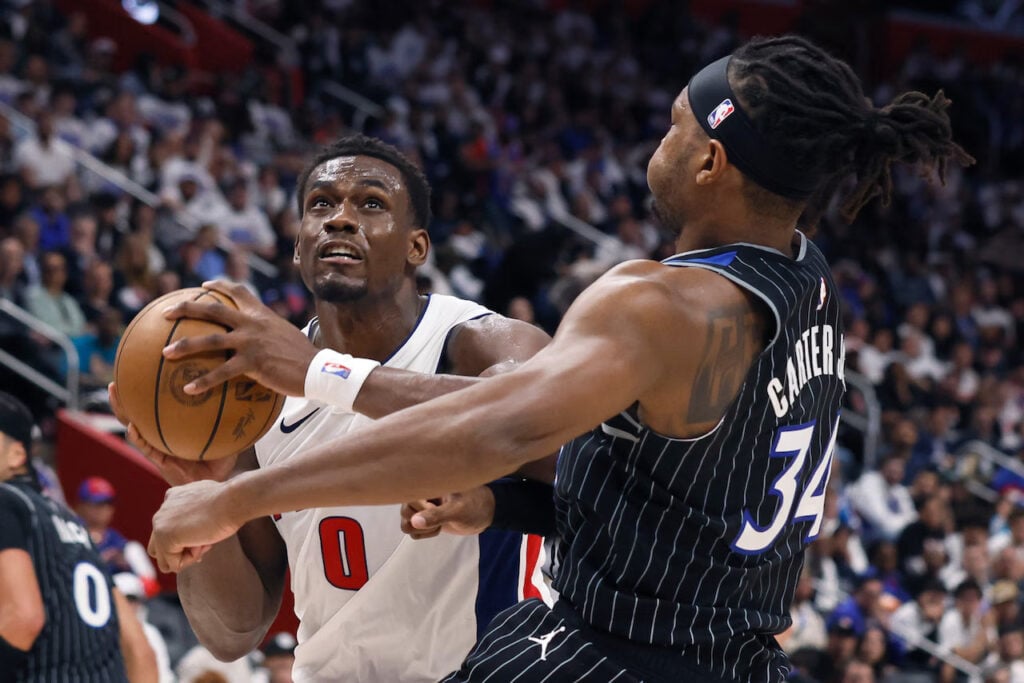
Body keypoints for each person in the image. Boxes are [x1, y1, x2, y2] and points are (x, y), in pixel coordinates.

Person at [148, 36, 972, 681]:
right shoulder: (806, 279)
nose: (662, 140)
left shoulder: (659, 305)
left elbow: (493, 430)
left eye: (675, 125)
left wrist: (245, 481)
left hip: (607, 658)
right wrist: (498, 506)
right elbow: (675, 502)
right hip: (733, 656)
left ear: (710, 161)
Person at [112, 134, 553, 682]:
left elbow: (541, 427)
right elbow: (233, 635)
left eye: (371, 203)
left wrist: (322, 373)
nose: (340, 218)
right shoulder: (255, 399)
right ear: (299, 247)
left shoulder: (478, 341)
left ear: (416, 247)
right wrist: (202, 491)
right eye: (321, 204)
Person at [0, 391, 158, 681]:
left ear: (17, 455)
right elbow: (141, 651)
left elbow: (23, 618)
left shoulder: (7, 501)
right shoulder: (75, 526)